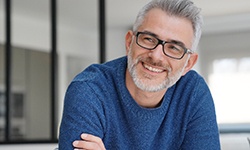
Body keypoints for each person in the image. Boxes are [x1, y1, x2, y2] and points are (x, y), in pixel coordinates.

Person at [58, 0, 221, 149]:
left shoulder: (193, 93)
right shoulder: (89, 90)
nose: (156, 56)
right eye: (149, 39)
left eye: (174, 48)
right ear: (129, 42)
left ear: (189, 63)